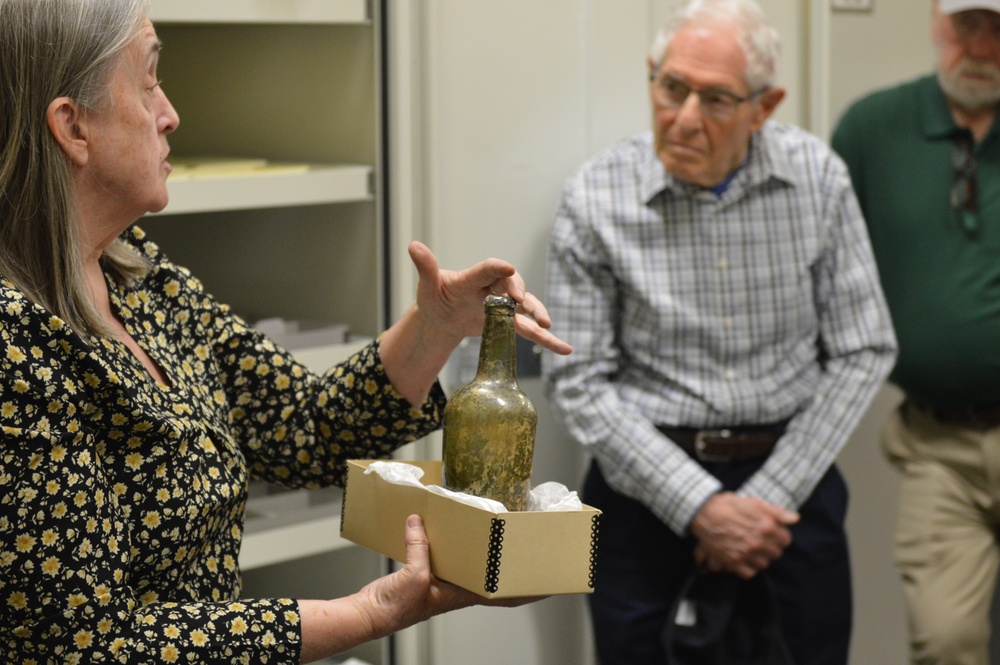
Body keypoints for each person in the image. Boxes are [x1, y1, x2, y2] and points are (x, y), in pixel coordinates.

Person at [0, 0, 572, 662]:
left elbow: (303, 427)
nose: (170, 113)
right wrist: (369, 611)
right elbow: (87, 647)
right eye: (149, 78)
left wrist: (435, 326)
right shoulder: (15, 346)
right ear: (72, 126)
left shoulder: (144, 281)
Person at [541, 1, 897, 663]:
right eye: (671, 87)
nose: (683, 118)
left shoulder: (817, 180)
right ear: (652, 75)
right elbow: (577, 378)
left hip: (790, 490)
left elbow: (864, 345)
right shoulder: (596, 197)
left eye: (717, 99)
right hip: (642, 493)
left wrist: (761, 500)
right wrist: (700, 505)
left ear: (765, 106)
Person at [831, 2, 1000, 663]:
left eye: (998, 27)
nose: (982, 44)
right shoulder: (874, 128)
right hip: (938, 442)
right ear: (935, 21)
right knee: (944, 638)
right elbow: (826, 268)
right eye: (967, 25)